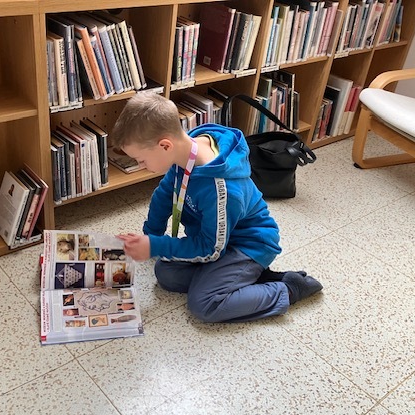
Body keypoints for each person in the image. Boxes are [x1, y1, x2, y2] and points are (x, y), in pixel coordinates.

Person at [112, 93, 322, 323]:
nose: (140, 165)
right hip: (218, 237)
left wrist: (154, 245)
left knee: (204, 304)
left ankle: (288, 288)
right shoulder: (184, 150)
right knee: (166, 273)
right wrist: (150, 236)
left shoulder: (220, 189)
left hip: (248, 246)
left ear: (165, 145)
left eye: (141, 160)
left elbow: (210, 248)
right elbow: (164, 194)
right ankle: (238, 280)